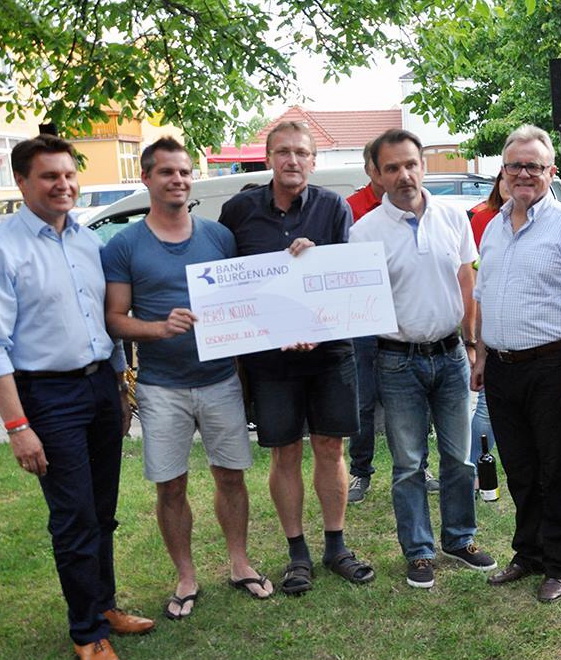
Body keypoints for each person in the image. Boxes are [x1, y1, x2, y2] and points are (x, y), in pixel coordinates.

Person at [102, 138, 274, 620]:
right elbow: (114, 318)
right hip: (161, 386)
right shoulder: (124, 245)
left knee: (231, 476)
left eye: (183, 171)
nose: (177, 180)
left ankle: (239, 563)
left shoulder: (218, 236)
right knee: (171, 486)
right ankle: (185, 576)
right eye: (166, 172)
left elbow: (252, 294)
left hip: (220, 379)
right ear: (146, 178)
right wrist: (159, 328)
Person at [0, 135, 153, 660]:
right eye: (49, 176)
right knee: (74, 516)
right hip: (47, 395)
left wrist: (120, 387)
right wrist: (18, 426)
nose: (62, 185)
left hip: (100, 387)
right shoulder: (6, 246)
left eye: (68, 174)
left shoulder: (88, 242)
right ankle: (87, 633)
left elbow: (105, 323)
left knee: (103, 510)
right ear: (22, 181)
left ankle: (104, 606)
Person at [218, 121, 374, 595]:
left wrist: (317, 257)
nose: (292, 160)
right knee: (284, 451)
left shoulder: (333, 207)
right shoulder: (238, 211)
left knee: (330, 446)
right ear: (268, 159)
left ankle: (336, 547)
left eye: (301, 153)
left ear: (313, 161)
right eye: (283, 152)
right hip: (270, 358)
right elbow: (229, 283)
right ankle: (297, 554)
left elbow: (346, 278)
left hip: (328, 351)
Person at [350, 129, 496, 588]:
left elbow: (467, 283)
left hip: (451, 355)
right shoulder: (363, 233)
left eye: (410, 164)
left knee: (460, 459)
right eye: (391, 167)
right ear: (376, 174)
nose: (403, 175)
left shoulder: (452, 217)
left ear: (423, 166)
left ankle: (460, 539)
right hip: (396, 361)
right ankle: (418, 551)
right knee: (409, 464)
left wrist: (472, 344)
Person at [471, 124, 561, 603]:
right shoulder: (492, 226)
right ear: (503, 171)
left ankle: (559, 564)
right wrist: (480, 355)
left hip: (554, 366)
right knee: (520, 468)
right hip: (502, 368)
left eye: (533, 165)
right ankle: (528, 553)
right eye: (515, 166)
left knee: (558, 470)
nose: (523, 174)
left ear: (551, 171)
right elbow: (484, 296)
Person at [345, 140, 385, 505]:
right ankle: (360, 470)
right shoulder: (351, 208)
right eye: (384, 165)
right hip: (362, 321)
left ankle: (419, 467)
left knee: (411, 400)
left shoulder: (414, 206)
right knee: (363, 400)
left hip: (403, 319)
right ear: (370, 169)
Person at [466, 174, 508, 466]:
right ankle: (475, 468)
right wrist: (473, 342)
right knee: (485, 408)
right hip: (490, 325)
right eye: (507, 176)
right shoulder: (483, 219)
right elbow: (473, 274)